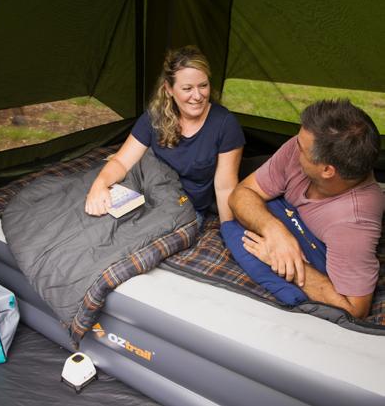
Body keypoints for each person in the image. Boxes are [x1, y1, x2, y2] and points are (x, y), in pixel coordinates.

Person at [228, 99, 384, 318]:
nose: (294, 145)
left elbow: (354, 311)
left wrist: (289, 264)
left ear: (327, 170)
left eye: (302, 148)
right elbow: (241, 193)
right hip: (277, 188)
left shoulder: (352, 224)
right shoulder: (299, 147)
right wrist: (275, 232)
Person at [85, 46, 245, 227]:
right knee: (94, 220)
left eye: (203, 85)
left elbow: (225, 187)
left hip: (184, 208)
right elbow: (121, 162)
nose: (198, 96)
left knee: (133, 236)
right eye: (187, 88)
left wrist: (228, 230)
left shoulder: (224, 124)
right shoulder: (155, 117)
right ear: (169, 89)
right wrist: (100, 184)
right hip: (147, 196)